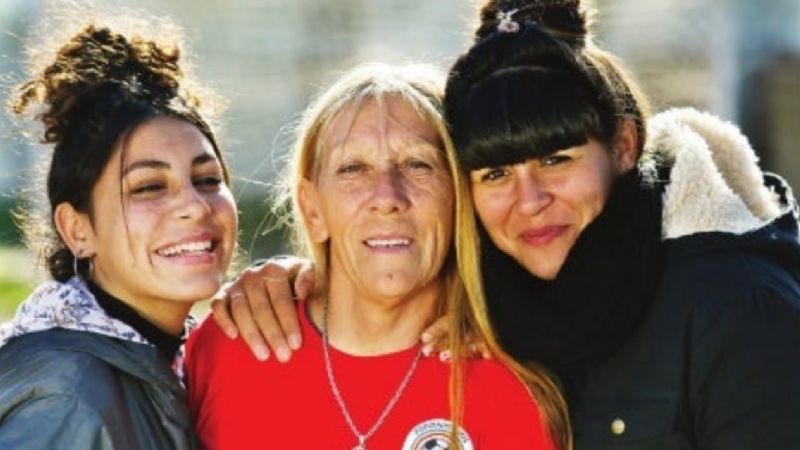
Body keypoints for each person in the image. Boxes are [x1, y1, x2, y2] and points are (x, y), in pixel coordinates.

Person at [210, 1, 800, 449]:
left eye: (556, 160)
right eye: (494, 174)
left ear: (624, 145)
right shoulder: (508, 301)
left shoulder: (735, 307)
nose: (529, 201)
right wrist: (292, 280)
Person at [184, 63, 565, 449]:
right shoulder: (227, 346)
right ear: (313, 210)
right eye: (353, 169)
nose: (387, 198)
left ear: (460, 200)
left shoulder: (511, 390)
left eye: (419, 165)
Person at [0, 16, 237, 450]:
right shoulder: (70, 395)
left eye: (206, 179)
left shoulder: (163, 359)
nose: (195, 205)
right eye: (148, 187)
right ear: (78, 229)